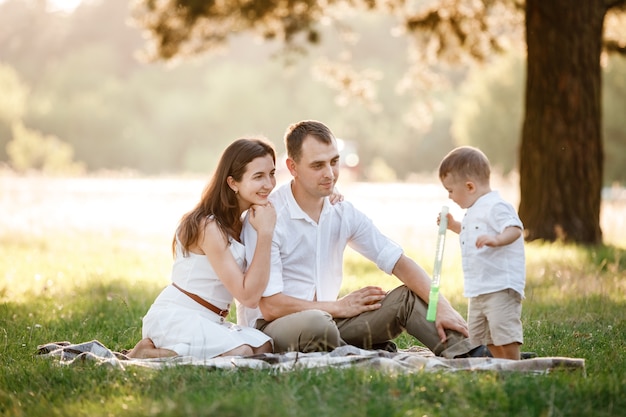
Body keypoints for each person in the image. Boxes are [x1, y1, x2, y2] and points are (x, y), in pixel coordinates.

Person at [237, 120, 487, 358]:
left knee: (407, 298)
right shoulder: (267, 217)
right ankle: (362, 349)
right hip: (272, 329)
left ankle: (468, 352)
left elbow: (398, 261)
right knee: (318, 323)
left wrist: (441, 305)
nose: (330, 173)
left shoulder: (342, 211)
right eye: (317, 165)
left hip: (330, 322)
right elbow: (271, 307)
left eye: (334, 161)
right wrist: (339, 307)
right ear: (292, 167)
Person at [127, 138, 277, 360]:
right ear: (233, 183)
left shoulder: (246, 220)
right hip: (177, 317)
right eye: (258, 176)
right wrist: (265, 234)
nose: (269, 184)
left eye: (272, 173)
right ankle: (150, 353)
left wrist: (329, 198)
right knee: (242, 353)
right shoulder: (208, 226)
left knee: (265, 346)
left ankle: (169, 352)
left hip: (211, 320)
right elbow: (248, 296)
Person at [438, 146, 526, 360]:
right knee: (483, 337)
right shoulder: (473, 211)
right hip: (478, 288)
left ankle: (513, 365)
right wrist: (454, 226)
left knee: (503, 331)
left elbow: (514, 228)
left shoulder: (496, 206)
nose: (449, 197)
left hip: (500, 286)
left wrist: (497, 239)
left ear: (469, 186)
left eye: (450, 190)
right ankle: (498, 365)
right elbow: (471, 234)